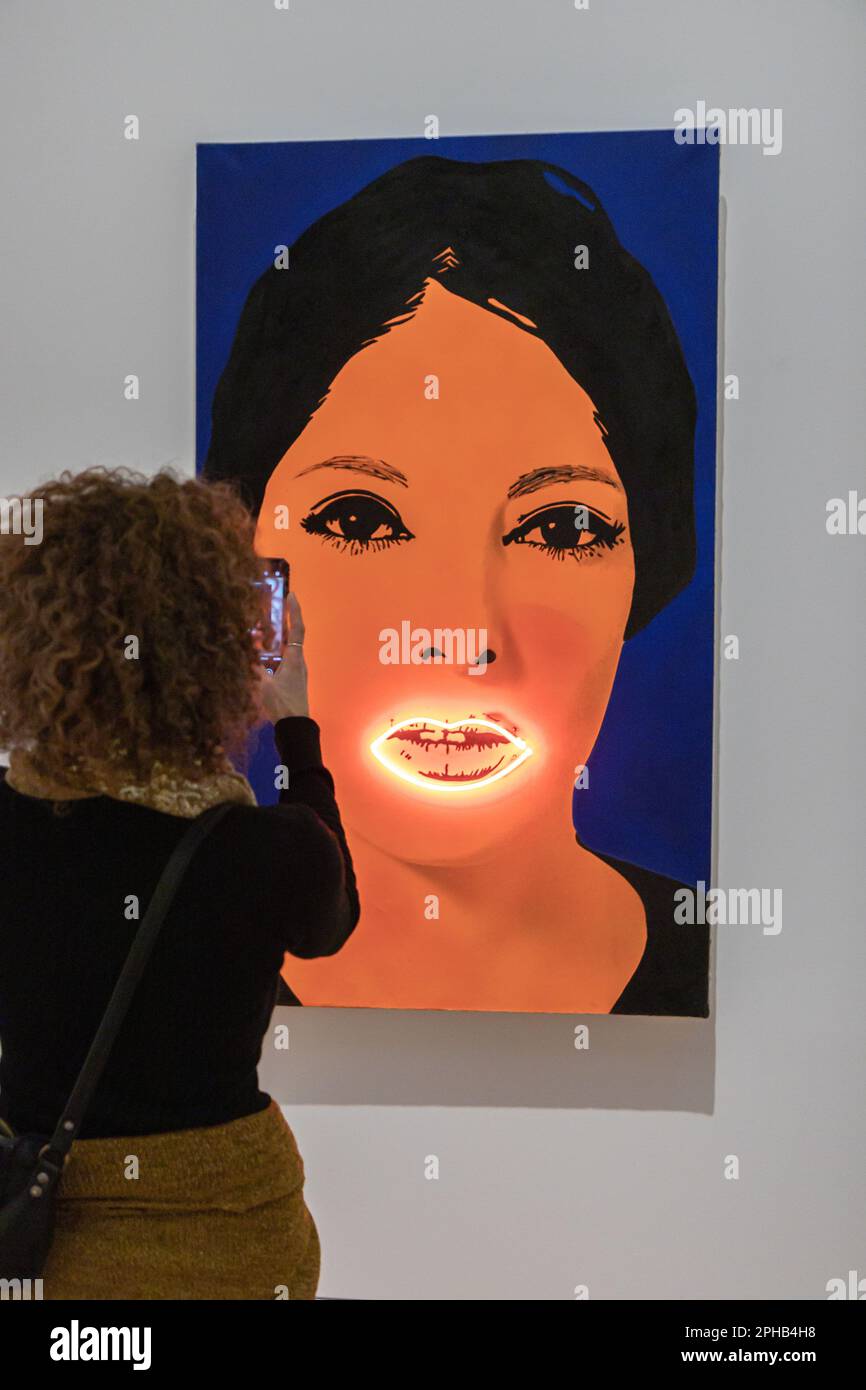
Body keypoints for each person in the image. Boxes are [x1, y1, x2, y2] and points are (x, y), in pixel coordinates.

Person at [203, 154, 709, 1016]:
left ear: (645, 568)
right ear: (251, 565)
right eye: (358, 521)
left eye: (561, 528)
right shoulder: (173, 969)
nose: (458, 632)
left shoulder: (713, 968)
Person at [0, 467, 359, 1299]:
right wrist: (297, 734)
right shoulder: (267, 850)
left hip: (38, 1232)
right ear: (219, 646)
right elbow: (332, 925)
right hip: (227, 1235)